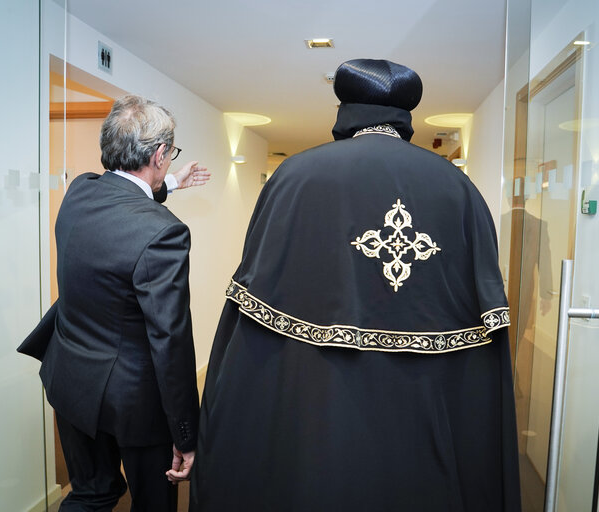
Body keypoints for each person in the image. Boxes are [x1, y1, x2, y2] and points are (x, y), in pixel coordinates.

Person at [190, 59, 521, 511]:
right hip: (425, 409)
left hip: (315, 405)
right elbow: (486, 331)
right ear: (406, 113)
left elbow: (249, 307)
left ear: (345, 107)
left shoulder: (295, 177)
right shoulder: (457, 188)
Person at [39, 94, 210, 511]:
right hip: (134, 404)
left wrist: (169, 183)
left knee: (91, 495)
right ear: (160, 153)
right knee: (153, 503)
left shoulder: (80, 191)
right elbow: (170, 339)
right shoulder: (165, 232)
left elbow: (123, 204)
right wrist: (186, 435)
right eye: (169, 156)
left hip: (71, 380)